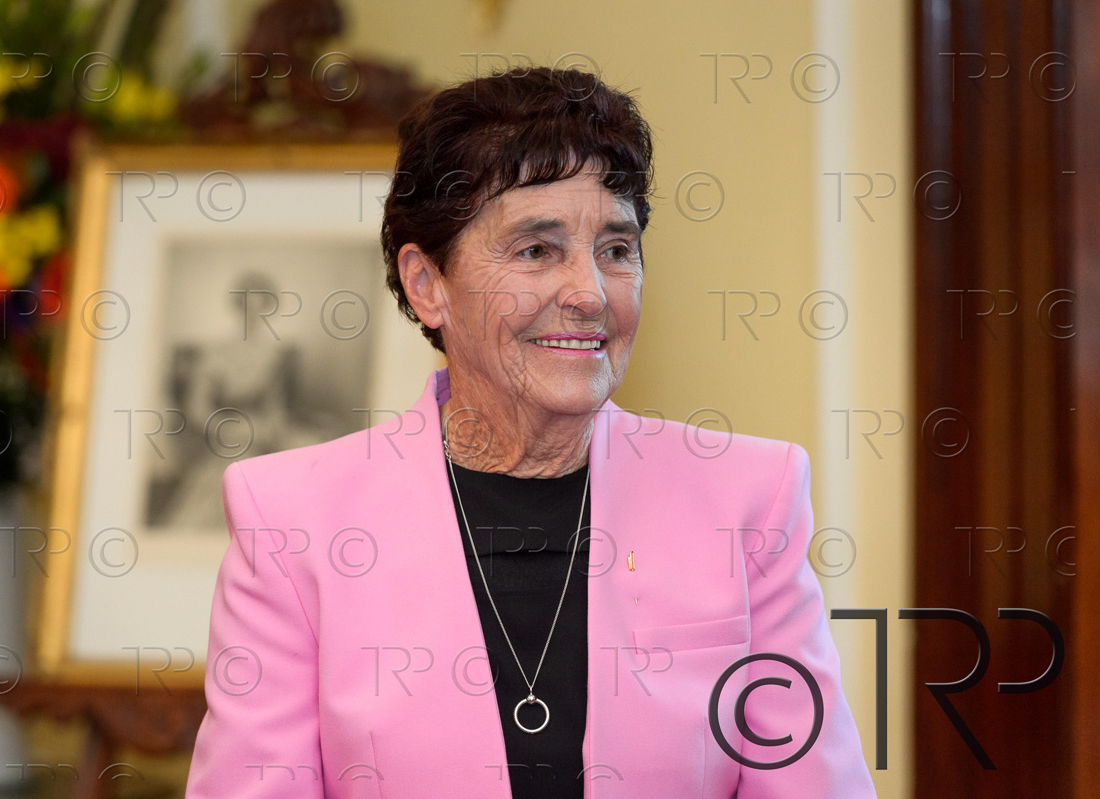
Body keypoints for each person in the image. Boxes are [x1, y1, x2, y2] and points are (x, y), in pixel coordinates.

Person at [185, 66, 875, 798]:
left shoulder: (747, 499)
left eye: (616, 250)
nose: (589, 294)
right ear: (427, 284)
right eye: (537, 250)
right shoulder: (292, 521)